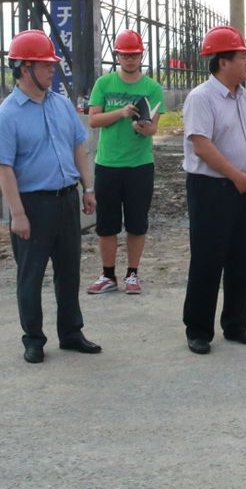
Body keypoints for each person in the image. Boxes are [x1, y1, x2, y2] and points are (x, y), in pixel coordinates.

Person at [0, 29, 100, 365]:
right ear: (25, 68)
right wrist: (17, 214)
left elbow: (78, 147)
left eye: (52, 64)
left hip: (66, 200)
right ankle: (34, 339)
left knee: (69, 272)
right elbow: (4, 168)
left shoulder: (61, 105)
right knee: (31, 274)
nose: (53, 69)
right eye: (45, 65)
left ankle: (71, 332)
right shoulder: (8, 114)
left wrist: (87, 188)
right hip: (33, 205)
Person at [182, 25, 246, 355]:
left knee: (241, 257)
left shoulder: (243, 95)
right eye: (242, 56)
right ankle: (198, 329)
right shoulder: (201, 98)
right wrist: (235, 176)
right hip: (211, 189)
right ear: (222, 62)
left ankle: (236, 323)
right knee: (207, 258)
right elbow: (201, 145)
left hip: (245, 186)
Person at [85, 30, 163, 296]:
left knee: (137, 223)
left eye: (134, 55)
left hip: (139, 165)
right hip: (108, 164)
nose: (130, 59)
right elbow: (93, 120)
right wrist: (120, 113)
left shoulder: (152, 88)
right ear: (117, 56)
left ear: (141, 55)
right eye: (125, 55)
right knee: (106, 224)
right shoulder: (104, 84)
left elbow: (153, 128)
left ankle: (132, 274)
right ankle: (108, 275)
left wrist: (143, 128)